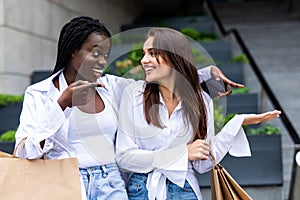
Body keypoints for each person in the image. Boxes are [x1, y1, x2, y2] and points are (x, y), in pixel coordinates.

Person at [14, 16, 246, 199]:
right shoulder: (40, 94)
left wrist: (205, 74)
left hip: (111, 183)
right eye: (95, 53)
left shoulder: (113, 86)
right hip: (63, 183)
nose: (103, 61)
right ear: (74, 50)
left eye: (105, 54)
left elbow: (162, 77)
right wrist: (61, 105)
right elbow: (24, 153)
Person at [115, 27, 281, 200]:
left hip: (184, 190)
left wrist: (236, 124)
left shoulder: (201, 101)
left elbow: (202, 164)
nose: (144, 60)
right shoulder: (134, 95)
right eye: (144, 53)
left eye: (152, 53)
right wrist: (182, 154)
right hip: (142, 190)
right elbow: (124, 157)